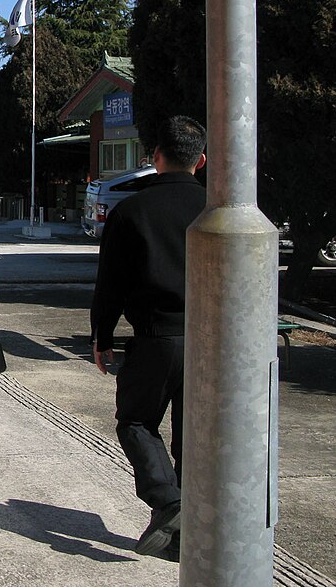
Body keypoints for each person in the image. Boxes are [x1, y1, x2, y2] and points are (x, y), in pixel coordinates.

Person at [91, 115, 207, 560]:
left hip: (155, 335)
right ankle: (186, 531)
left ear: (155, 158)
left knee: (137, 421)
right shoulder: (217, 210)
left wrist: (102, 336)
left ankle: (169, 502)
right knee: (194, 437)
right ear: (201, 161)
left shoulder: (131, 211)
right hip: (212, 341)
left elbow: (111, 284)